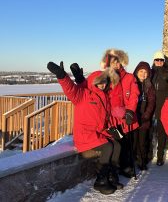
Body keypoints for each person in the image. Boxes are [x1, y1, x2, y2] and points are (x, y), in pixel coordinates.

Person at [47, 61, 122, 195]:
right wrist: (62, 76)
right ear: (94, 83)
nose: (102, 85)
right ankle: (101, 181)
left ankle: (111, 175)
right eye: (99, 82)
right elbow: (71, 89)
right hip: (85, 135)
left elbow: (107, 116)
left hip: (98, 133)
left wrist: (114, 126)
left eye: (105, 82)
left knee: (116, 145)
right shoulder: (83, 95)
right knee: (108, 147)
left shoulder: (104, 96)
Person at [100, 49, 140, 178]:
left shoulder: (129, 77)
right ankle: (115, 168)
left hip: (126, 117)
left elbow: (134, 95)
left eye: (118, 62)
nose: (117, 65)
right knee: (117, 144)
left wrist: (130, 110)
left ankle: (126, 166)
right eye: (113, 63)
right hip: (111, 118)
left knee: (127, 144)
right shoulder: (105, 78)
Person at [151, 50, 168, 166]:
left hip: (162, 107)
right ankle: (147, 154)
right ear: (154, 61)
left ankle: (160, 156)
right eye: (157, 60)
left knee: (161, 132)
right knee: (148, 132)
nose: (159, 62)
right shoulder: (150, 72)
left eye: (161, 60)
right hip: (150, 107)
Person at [133, 61, 156, 170]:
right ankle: (132, 161)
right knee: (133, 142)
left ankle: (142, 161)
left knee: (142, 142)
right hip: (132, 118)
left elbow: (151, 102)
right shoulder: (132, 83)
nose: (143, 74)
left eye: (145, 72)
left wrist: (146, 115)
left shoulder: (149, 86)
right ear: (137, 71)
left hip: (144, 118)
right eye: (141, 71)